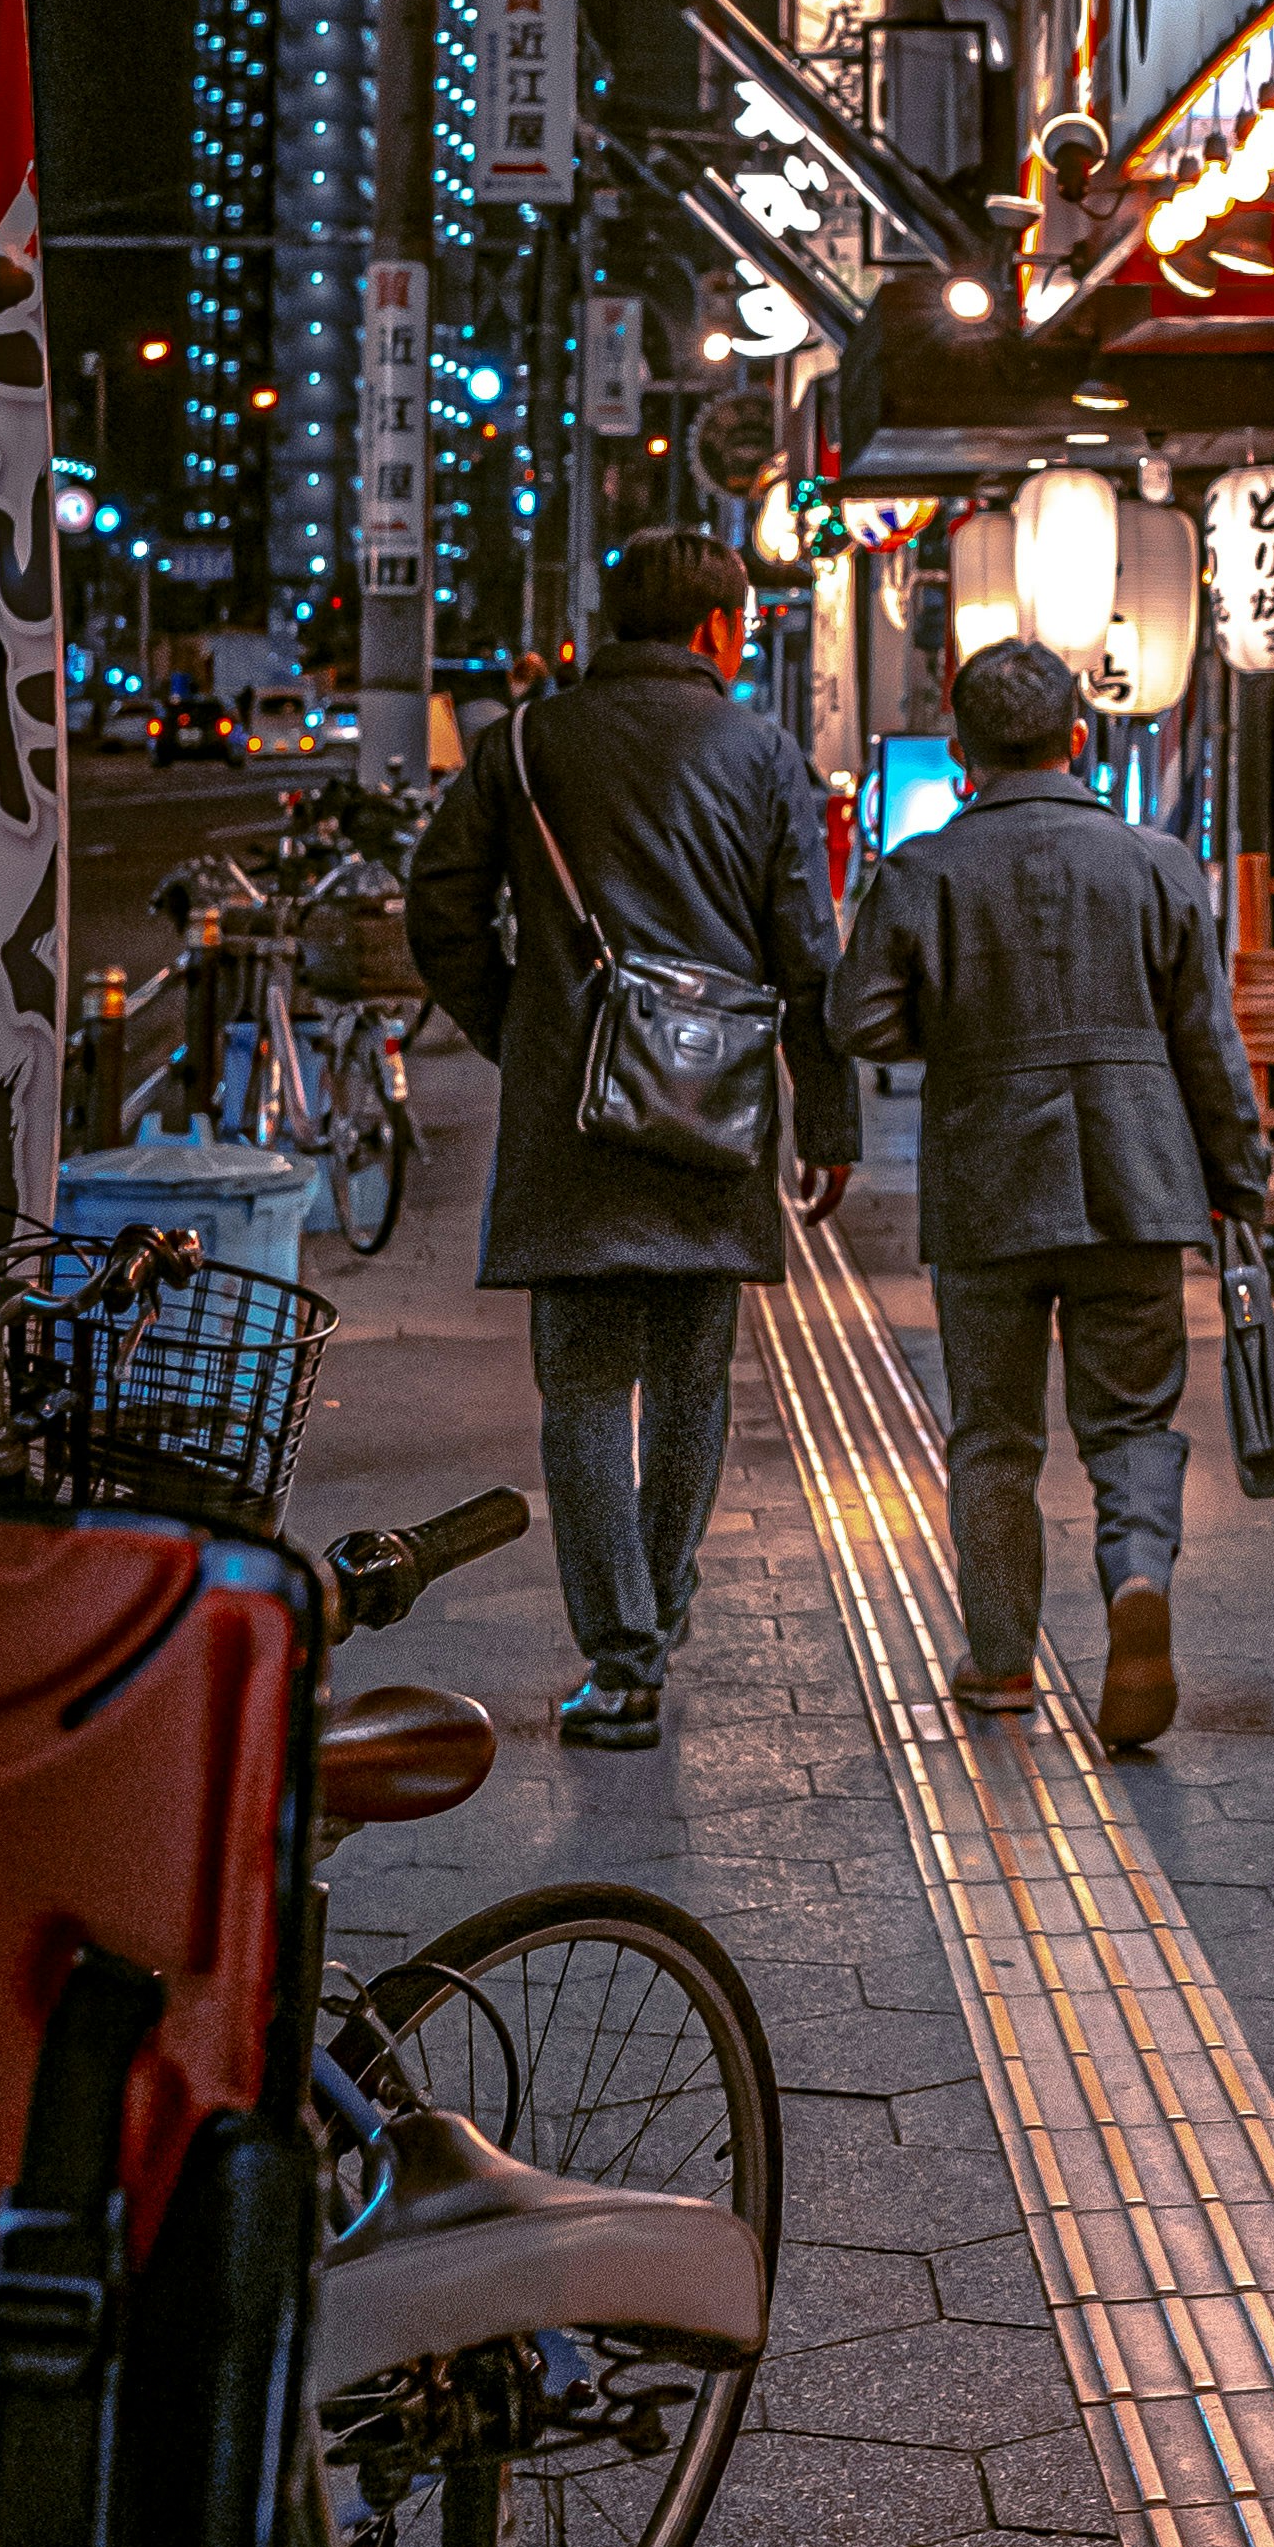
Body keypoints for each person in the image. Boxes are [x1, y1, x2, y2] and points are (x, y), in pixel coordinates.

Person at [408, 526, 852, 1749]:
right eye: (747, 621)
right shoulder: (763, 754)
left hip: (574, 1124)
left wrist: (529, 1030)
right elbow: (808, 955)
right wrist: (831, 1111)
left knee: (588, 1387)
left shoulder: (529, 742)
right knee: (695, 1375)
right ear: (713, 629)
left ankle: (623, 1656)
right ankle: (658, 1616)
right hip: (710, 1116)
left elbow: (437, 905)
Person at [828, 635, 1265, 1754]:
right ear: (1080, 738)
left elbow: (857, 1020)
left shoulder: (920, 872)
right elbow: (1208, 1045)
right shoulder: (1158, 864)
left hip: (987, 1190)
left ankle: (1004, 1661)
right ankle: (1132, 1578)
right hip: (1139, 1182)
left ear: (960, 751)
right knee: (1129, 1417)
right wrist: (1237, 1183)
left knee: (993, 1436)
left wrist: (968, 1037)